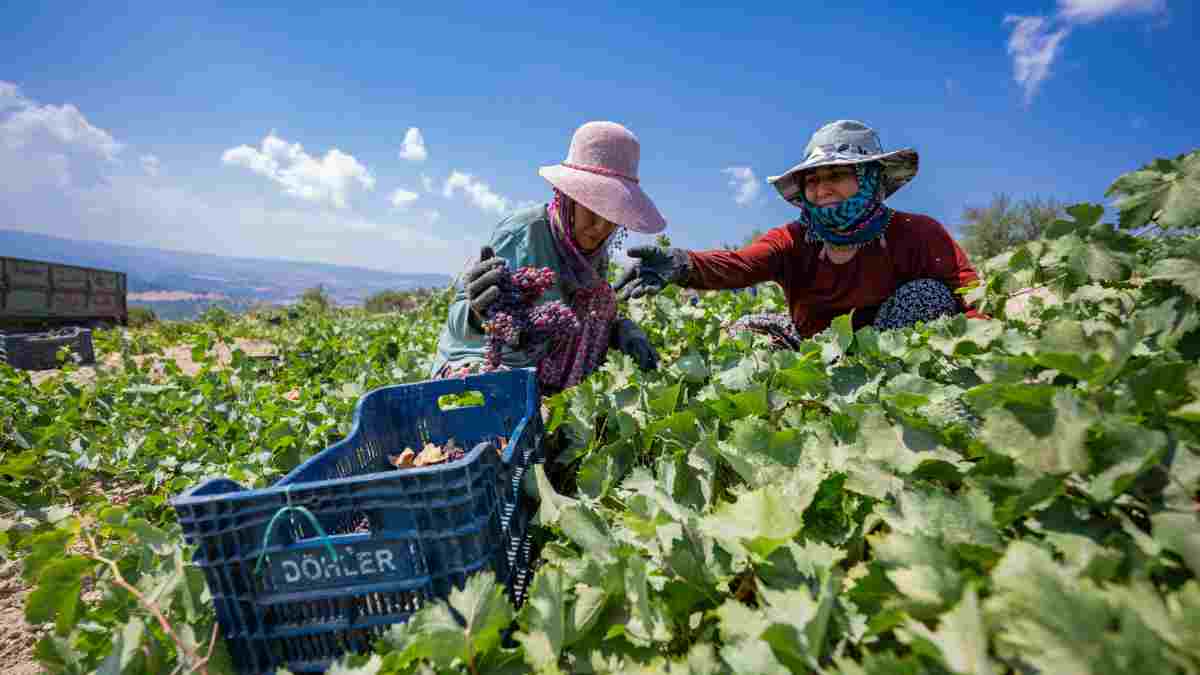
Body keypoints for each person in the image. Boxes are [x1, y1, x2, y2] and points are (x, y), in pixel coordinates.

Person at [615, 120, 981, 345]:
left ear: (870, 179)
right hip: (816, 357)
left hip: (892, 358)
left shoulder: (917, 233)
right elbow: (740, 265)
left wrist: (994, 348)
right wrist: (681, 265)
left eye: (837, 176)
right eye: (813, 180)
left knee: (929, 295)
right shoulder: (793, 240)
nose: (822, 190)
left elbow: (969, 296)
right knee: (746, 330)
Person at [431, 121, 663, 393]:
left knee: (599, 299)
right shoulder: (521, 234)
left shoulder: (591, 255)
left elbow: (582, 321)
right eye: (592, 209)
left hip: (541, 367)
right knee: (494, 400)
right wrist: (476, 311)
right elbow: (460, 323)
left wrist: (621, 330)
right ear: (567, 198)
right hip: (485, 365)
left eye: (611, 217)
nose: (600, 228)